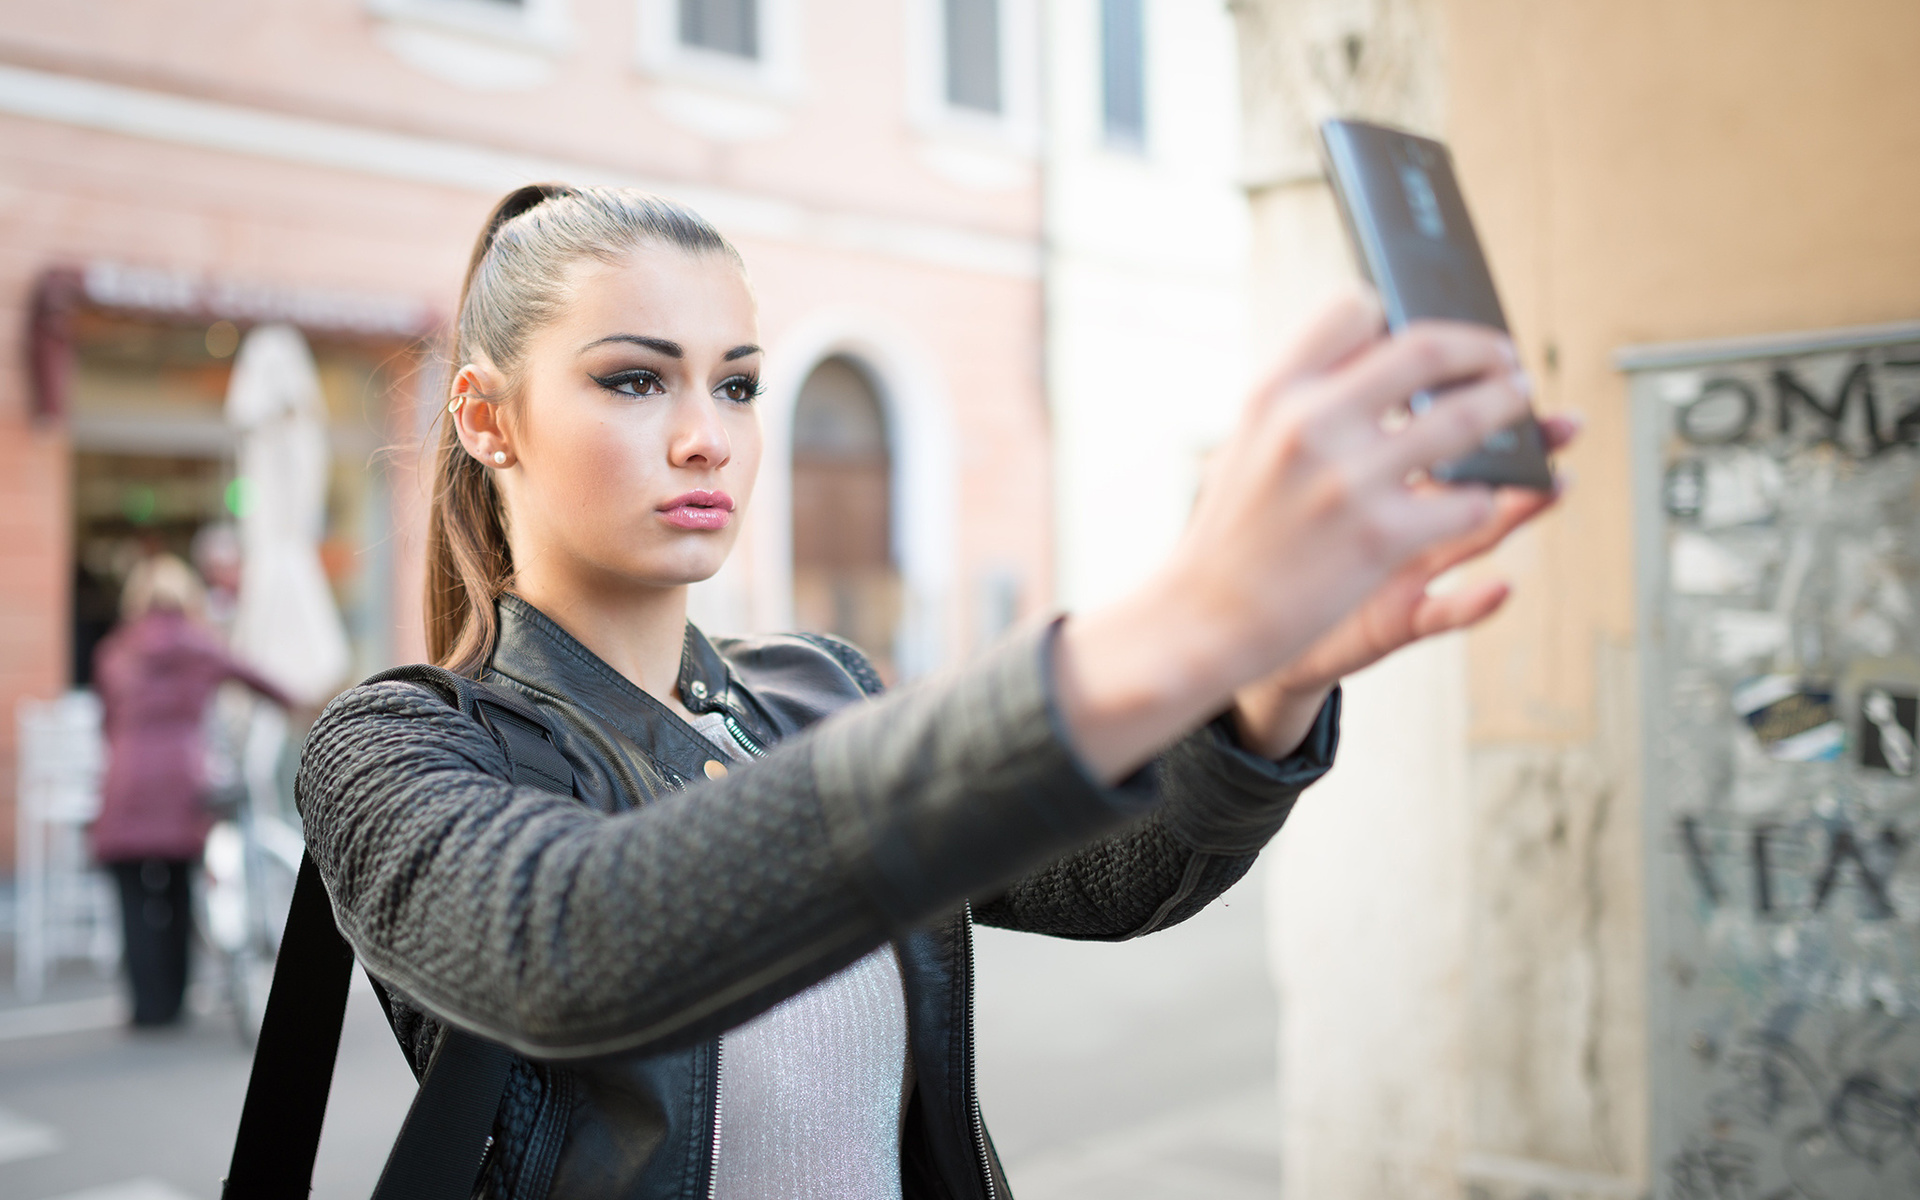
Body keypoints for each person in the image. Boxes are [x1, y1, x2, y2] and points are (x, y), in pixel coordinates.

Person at [297, 184, 1576, 1199]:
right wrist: (1180, 625)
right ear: (484, 417)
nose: (707, 434)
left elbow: (1121, 874)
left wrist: (1270, 678)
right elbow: (575, 940)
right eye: (635, 378)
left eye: (737, 382)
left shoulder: (815, 690)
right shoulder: (391, 748)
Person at [91, 553, 291, 1027]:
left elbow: (105, 720)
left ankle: (146, 1007)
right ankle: (176, 1000)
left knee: (132, 896)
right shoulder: (202, 644)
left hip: (126, 780)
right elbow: (268, 685)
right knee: (180, 888)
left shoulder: (115, 650)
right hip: (183, 780)